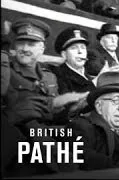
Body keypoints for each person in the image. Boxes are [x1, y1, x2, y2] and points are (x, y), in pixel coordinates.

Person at [2, 17, 79, 177]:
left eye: (31, 44)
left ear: (42, 48)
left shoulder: (49, 76)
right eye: (21, 43)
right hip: (18, 143)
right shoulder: (5, 72)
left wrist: (72, 108)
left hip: (49, 136)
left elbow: (54, 113)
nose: (24, 48)